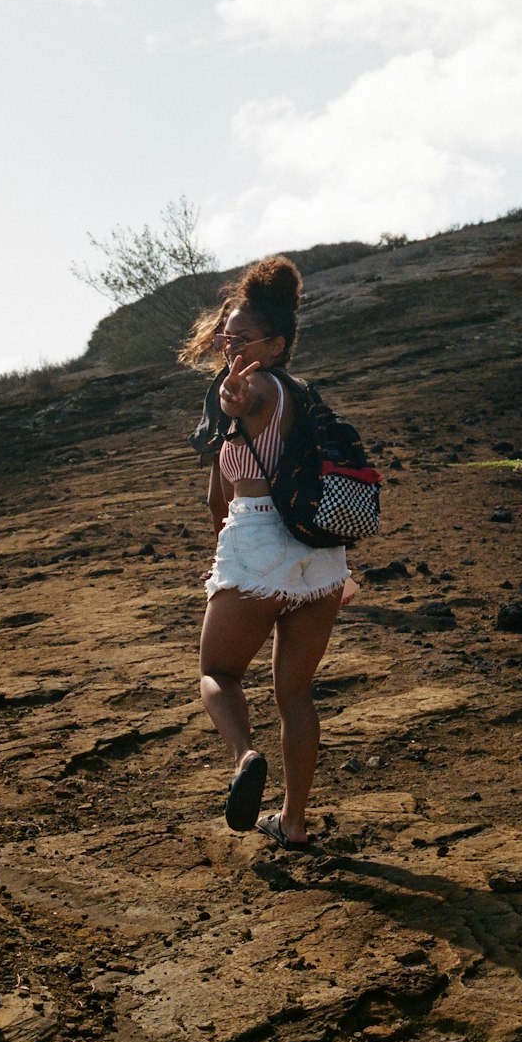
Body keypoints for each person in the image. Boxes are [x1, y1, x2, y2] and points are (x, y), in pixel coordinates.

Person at [180, 255, 350, 850]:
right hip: (321, 554)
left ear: (275, 345)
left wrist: (228, 402)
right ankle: (294, 824)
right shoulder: (304, 395)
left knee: (218, 672)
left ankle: (244, 756)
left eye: (242, 337)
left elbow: (218, 496)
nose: (229, 344)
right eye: (226, 334)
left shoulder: (244, 389)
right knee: (295, 695)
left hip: (258, 542)